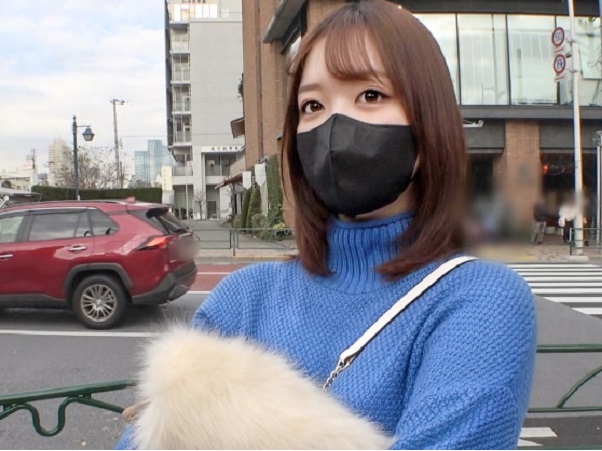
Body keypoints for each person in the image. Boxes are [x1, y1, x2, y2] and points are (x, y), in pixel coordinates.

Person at [116, 1, 536, 449]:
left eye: (370, 95)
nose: (334, 127)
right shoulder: (245, 297)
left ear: (428, 122)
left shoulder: (478, 300)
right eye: (312, 105)